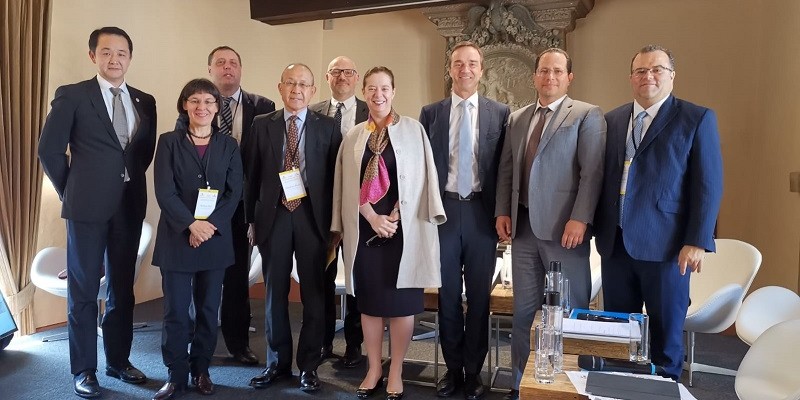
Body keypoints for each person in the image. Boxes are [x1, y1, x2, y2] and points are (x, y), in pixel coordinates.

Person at [38, 26, 156, 399]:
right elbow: (49, 151)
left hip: (129, 205)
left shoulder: (145, 101)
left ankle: (118, 361)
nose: (114, 59)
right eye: (106, 52)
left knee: (122, 288)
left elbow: (142, 155)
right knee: (84, 290)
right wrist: (72, 191)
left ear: (130, 58)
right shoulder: (73, 95)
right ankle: (84, 370)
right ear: (93, 56)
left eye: (121, 53)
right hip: (86, 209)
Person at [593, 45, 723, 380]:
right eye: (640, 71)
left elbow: (708, 185)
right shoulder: (613, 119)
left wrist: (697, 240)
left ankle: (665, 389)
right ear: (631, 78)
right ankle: (620, 389)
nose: (648, 76)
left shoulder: (696, 118)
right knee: (619, 334)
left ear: (672, 76)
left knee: (666, 340)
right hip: (615, 244)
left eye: (657, 70)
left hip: (667, 247)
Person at [495, 48, 606, 400]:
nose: (550, 77)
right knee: (524, 314)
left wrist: (580, 217)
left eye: (558, 71)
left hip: (565, 231)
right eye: (544, 71)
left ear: (569, 77)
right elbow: (507, 170)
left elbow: (592, 173)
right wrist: (502, 211)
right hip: (523, 229)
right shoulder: (517, 118)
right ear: (534, 76)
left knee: (568, 313)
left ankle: (569, 387)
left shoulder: (586, 115)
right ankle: (520, 386)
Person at [331, 66, 446, 400]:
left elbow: (423, 179)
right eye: (371, 88)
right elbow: (345, 184)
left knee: (401, 304)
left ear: (393, 92)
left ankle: (396, 369)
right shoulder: (354, 135)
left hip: (403, 230)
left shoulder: (413, 130)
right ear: (364, 92)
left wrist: (394, 215)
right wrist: (371, 216)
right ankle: (373, 369)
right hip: (366, 229)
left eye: (384, 88)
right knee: (369, 304)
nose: (378, 94)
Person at [419, 41, 509, 400]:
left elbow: (505, 169)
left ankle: (474, 373)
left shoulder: (500, 113)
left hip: (481, 215)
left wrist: (502, 212)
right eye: (458, 63)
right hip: (444, 213)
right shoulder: (431, 113)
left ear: (481, 70)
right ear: (450, 69)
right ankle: (452, 370)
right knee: (448, 297)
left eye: (472, 63)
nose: (465, 69)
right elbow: (422, 168)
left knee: (479, 298)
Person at [175, 46, 275, 366]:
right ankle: (194, 340)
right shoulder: (197, 106)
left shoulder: (263, 107)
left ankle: (238, 343)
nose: (227, 67)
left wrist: (257, 209)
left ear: (241, 69)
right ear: (210, 69)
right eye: (220, 63)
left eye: (233, 62)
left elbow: (266, 160)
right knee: (199, 275)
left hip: (240, 207)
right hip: (201, 210)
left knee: (236, 278)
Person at [246, 64, 340, 393]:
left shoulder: (328, 126)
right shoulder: (262, 124)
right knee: (275, 293)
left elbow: (335, 179)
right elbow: (251, 175)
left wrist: (335, 224)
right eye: (290, 83)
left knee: (314, 294)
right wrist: (251, 220)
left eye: (303, 84)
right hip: (273, 217)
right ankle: (277, 363)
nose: (296, 90)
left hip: (312, 218)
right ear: (280, 87)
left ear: (313, 90)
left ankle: (309, 367)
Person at [151, 78, 243, 400]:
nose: (202, 107)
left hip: (215, 239)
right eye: (195, 101)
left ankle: (201, 369)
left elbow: (234, 192)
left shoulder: (229, 145)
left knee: (207, 309)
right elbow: (165, 191)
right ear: (184, 105)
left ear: (217, 107)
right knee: (175, 311)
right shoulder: (168, 142)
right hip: (177, 238)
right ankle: (175, 375)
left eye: (208, 101)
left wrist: (208, 226)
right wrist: (191, 225)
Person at [309, 55, 369, 367]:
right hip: (321, 210)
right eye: (336, 71)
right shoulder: (313, 112)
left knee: (357, 277)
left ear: (356, 77)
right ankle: (323, 342)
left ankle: (354, 345)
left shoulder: (372, 111)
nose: (342, 76)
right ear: (328, 77)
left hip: (360, 209)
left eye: (348, 71)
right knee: (323, 280)